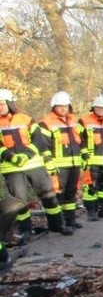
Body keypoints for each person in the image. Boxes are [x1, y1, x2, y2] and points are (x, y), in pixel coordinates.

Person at [0, 89, 74, 241]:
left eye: (2, 104)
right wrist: (11, 157)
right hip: (11, 167)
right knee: (19, 202)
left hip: (33, 164)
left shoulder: (26, 119)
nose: (0, 107)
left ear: (9, 103)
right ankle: (26, 230)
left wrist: (26, 154)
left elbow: (38, 140)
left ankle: (57, 225)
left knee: (48, 194)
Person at [38, 91, 84, 229]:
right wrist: (49, 163)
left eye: (65, 106)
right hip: (57, 166)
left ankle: (70, 220)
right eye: (59, 106)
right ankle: (59, 223)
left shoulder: (74, 122)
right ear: (54, 107)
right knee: (59, 194)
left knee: (71, 193)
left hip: (75, 163)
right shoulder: (45, 123)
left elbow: (81, 141)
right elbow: (42, 146)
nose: (63, 108)